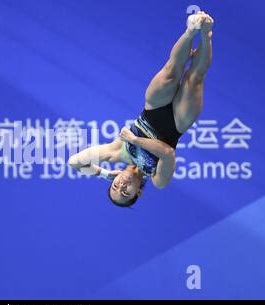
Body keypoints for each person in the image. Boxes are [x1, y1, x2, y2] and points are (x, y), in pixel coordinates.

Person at [68, 11, 214, 207]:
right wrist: (135, 140)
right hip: (178, 122)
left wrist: (104, 174)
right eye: (125, 193)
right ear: (138, 193)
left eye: (115, 187)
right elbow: (168, 153)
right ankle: (205, 33)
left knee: (172, 69)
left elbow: (74, 162)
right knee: (194, 79)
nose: (121, 186)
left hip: (153, 107)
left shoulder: (116, 152)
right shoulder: (158, 180)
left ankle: (192, 29)